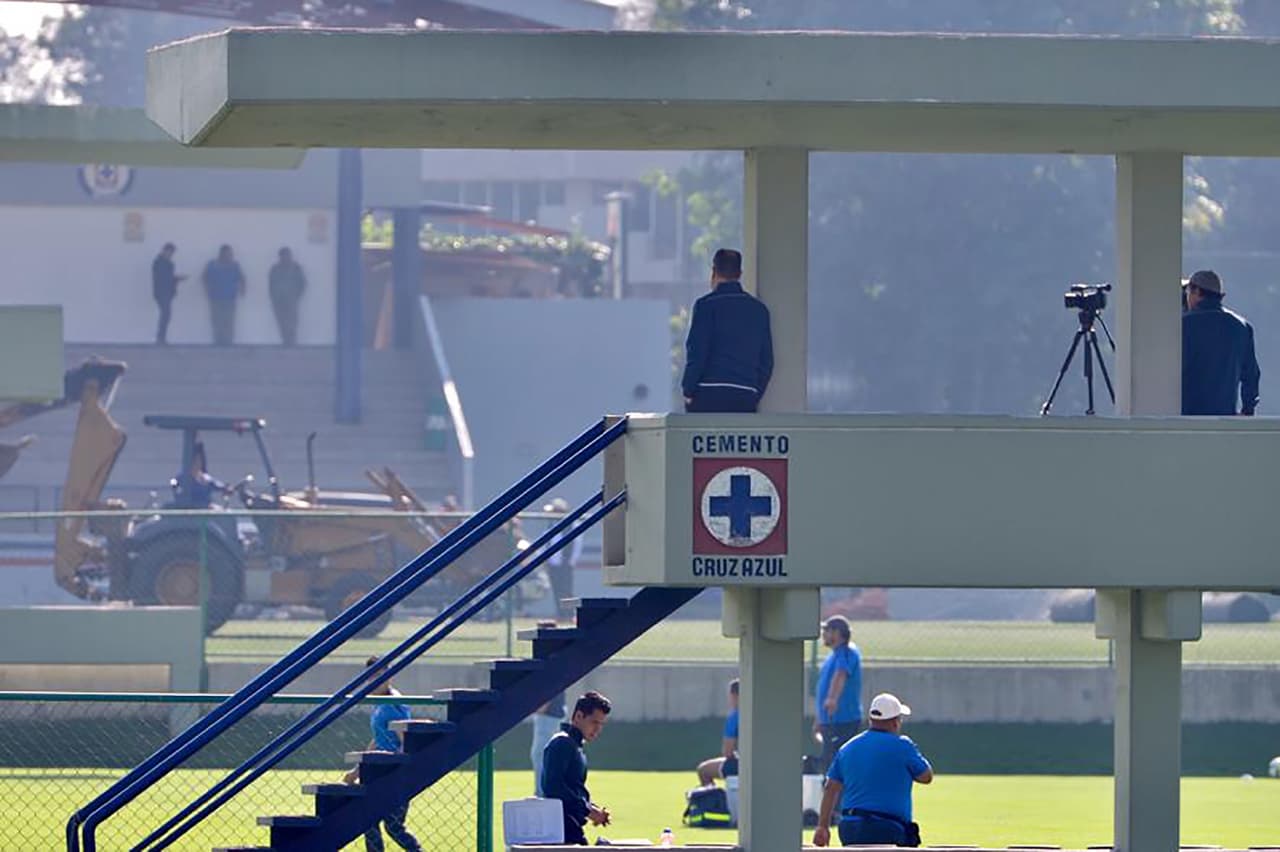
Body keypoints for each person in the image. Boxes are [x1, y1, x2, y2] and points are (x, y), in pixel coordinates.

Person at [813, 693, 933, 848]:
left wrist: (823, 827)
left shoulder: (847, 748)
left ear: (870, 720)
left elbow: (830, 787)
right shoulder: (903, 745)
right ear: (895, 722)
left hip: (850, 828)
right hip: (888, 828)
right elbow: (926, 776)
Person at [342, 656, 423, 852]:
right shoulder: (380, 702)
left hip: (393, 774)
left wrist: (395, 771)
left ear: (389, 677)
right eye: (370, 677)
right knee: (369, 821)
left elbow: (406, 742)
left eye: (379, 676)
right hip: (378, 771)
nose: (374, 681)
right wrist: (357, 770)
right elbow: (379, 739)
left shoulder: (393, 704)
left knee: (393, 827)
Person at [681, 248, 774, 413]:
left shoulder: (706, 306)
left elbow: (697, 352)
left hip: (707, 395)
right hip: (744, 396)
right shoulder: (759, 310)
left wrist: (688, 389)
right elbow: (766, 362)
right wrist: (753, 393)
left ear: (714, 272)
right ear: (740, 273)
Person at [1182, 269, 1261, 416]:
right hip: (1224, 419)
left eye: (1187, 292)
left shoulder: (1181, 326)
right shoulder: (1242, 327)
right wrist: (1247, 410)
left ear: (1197, 292)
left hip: (1186, 418)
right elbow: (1251, 375)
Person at [541, 690, 613, 845]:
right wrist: (588, 810)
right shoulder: (562, 743)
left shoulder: (574, 746)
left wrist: (593, 809)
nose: (598, 729)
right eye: (594, 722)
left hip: (570, 826)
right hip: (561, 829)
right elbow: (553, 787)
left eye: (601, 724)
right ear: (579, 716)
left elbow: (573, 789)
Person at [815, 615, 863, 772]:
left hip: (843, 720)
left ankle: (841, 796)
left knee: (839, 764)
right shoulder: (834, 655)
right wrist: (819, 718)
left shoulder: (847, 652)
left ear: (837, 633)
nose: (824, 634)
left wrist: (832, 699)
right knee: (829, 761)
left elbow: (841, 674)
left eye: (827, 631)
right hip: (829, 720)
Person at [530, 620, 567, 796]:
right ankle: (543, 792)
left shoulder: (552, 658)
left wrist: (542, 706)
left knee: (541, 756)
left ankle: (542, 793)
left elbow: (552, 687)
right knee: (541, 755)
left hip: (549, 714)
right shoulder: (557, 657)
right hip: (552, 713)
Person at [543, 497, 584, 619]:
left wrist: (571, 561)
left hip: (565, 564)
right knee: (557, 589)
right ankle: (560, 613)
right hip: (553, 564)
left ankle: (568, 613)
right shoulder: (551, 524)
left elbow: (577, 544)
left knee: (566, 589)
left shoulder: (572, 525)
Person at [696, 678, 739, 786]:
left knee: (703, 770)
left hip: (741, 765)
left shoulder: (735, 716)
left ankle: (716, 802)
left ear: (734, 696)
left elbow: (728, 752)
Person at [202, 244, 246, 346]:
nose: (229, 255)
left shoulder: (235, 265)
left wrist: (242, 290)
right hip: (215, 298)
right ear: (221, 253)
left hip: (230, 298)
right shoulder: (212, 264)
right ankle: (218, 341)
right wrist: (207, 291)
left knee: (229, 320)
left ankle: (228, 341)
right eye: (227, 253)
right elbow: (204, 278)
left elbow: (242, 278)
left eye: (230, 253)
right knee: (217, 320)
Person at [268, 246, 307, 346]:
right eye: (283, 255)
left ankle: (292, 341)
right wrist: (273, 297)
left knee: (292, 321)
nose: (286, 257)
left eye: (288, 255)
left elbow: (302, 283)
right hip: (278, 300)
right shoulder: (275, 269)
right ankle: (285, 341)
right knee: (281, 321)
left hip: (291, 299)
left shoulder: (296, 268)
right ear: (280, 256)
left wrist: (297, 295)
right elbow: (271, 284)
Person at [173, 442, 229, 509]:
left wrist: (226, 488)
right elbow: (180, 498)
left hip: (207, 513)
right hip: (191, 513)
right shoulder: (179, 479)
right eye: (196, 461)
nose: (198, 463)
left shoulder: (206, 478)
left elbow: (218, 485)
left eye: (200, 460)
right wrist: (207, 506)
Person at [151, 243, 186, 345]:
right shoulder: (159, 263)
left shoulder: (168, 263)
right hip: (162, 292)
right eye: (170, 252)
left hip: (167, 292)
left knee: (166, 314)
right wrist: (177, 279)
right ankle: (160, 337)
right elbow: (163, 278)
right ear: (165, 251)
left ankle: (161, 337)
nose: (171, 254)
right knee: (165, 314)